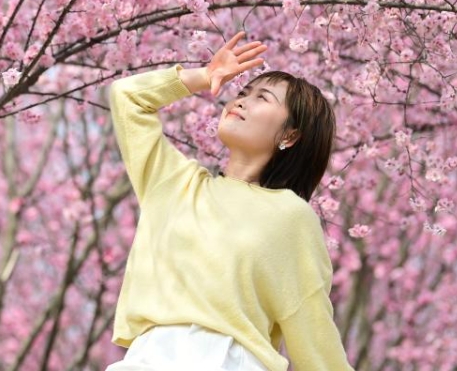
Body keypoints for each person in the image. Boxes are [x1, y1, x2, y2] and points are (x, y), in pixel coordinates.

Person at [105, 32, 355, 371]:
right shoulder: (175, 184)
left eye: (262, 98)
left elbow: (313, 330)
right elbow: (127, 98)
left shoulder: (290, 216)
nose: (240, 102)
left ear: (290, 135)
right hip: (148, 357)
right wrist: (203, 77)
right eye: (242, 92)